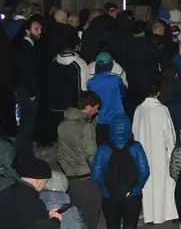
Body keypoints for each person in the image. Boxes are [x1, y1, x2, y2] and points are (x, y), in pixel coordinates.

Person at [132, 80, 179, 225]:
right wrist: (172, 151)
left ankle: (150, 216)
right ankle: (168, 213)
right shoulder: (162, 109)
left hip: (143, 153)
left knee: (148, 184)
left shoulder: (139, 109)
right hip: (160, 153)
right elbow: (170, 133)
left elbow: (134, 131)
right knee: (165, 183)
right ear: (158, 92)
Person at [91, 115, 151, 229]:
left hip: (109, 196)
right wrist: (137, 188)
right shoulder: (136, 147)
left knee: (112, 226)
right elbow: (145, 172)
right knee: (130, 225)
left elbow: (96, 174)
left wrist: (105, 189)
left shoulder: (103, 148)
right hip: (132, 196)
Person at [55, 91, 101, 228]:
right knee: (90, 217)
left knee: (75, 217)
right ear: (88, 107)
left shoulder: (62, 125)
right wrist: (98, 175)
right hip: (87, 178)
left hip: (71, 179)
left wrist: (68, 169)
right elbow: (91, 155)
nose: (97, 111)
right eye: (96, 107)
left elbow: (59, 154)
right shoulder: (86, 127)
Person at [1, 156, 64, 229]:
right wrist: (56, 219)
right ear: (39, 180)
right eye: (45, 182)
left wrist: (47, 214)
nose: (45, 186)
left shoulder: (6, 192)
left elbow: (21, 217)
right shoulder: (33, 202)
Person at [12, 16, 43, 160]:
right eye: (36, 29)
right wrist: (31, 93)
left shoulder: (27, 46)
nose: (39, 31)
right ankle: (25, 154)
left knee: (26, 124)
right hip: (26, 91)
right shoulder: (25, 47)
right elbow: (27, 72)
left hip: (24, 90)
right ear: (27, 31)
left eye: (40, 29)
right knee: (26, 125)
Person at [87, 52, 126, 137]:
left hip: (99, 119)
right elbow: (124, 93)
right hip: (117, 118)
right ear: (110, 66)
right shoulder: (116, 79)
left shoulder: (90, 83)